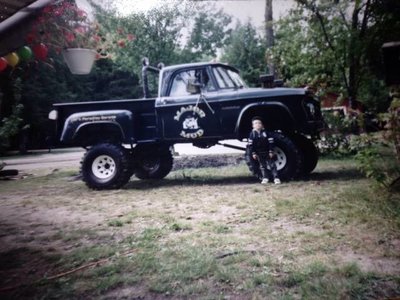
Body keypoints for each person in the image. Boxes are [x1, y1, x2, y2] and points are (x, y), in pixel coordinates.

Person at [248, 117, 281, 184]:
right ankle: (265, 178)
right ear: (253, 126)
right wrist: (253, 153)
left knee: (272, 165)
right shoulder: (252, 134)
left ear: (262, 125)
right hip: (259, 153)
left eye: (259, 123)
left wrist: (271, 151)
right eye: (256, 123)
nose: (258, 124)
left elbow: (271, 142)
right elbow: (251, 145)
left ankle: (276, 178)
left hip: (267, 152)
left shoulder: (266, 133)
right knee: (262, 166)